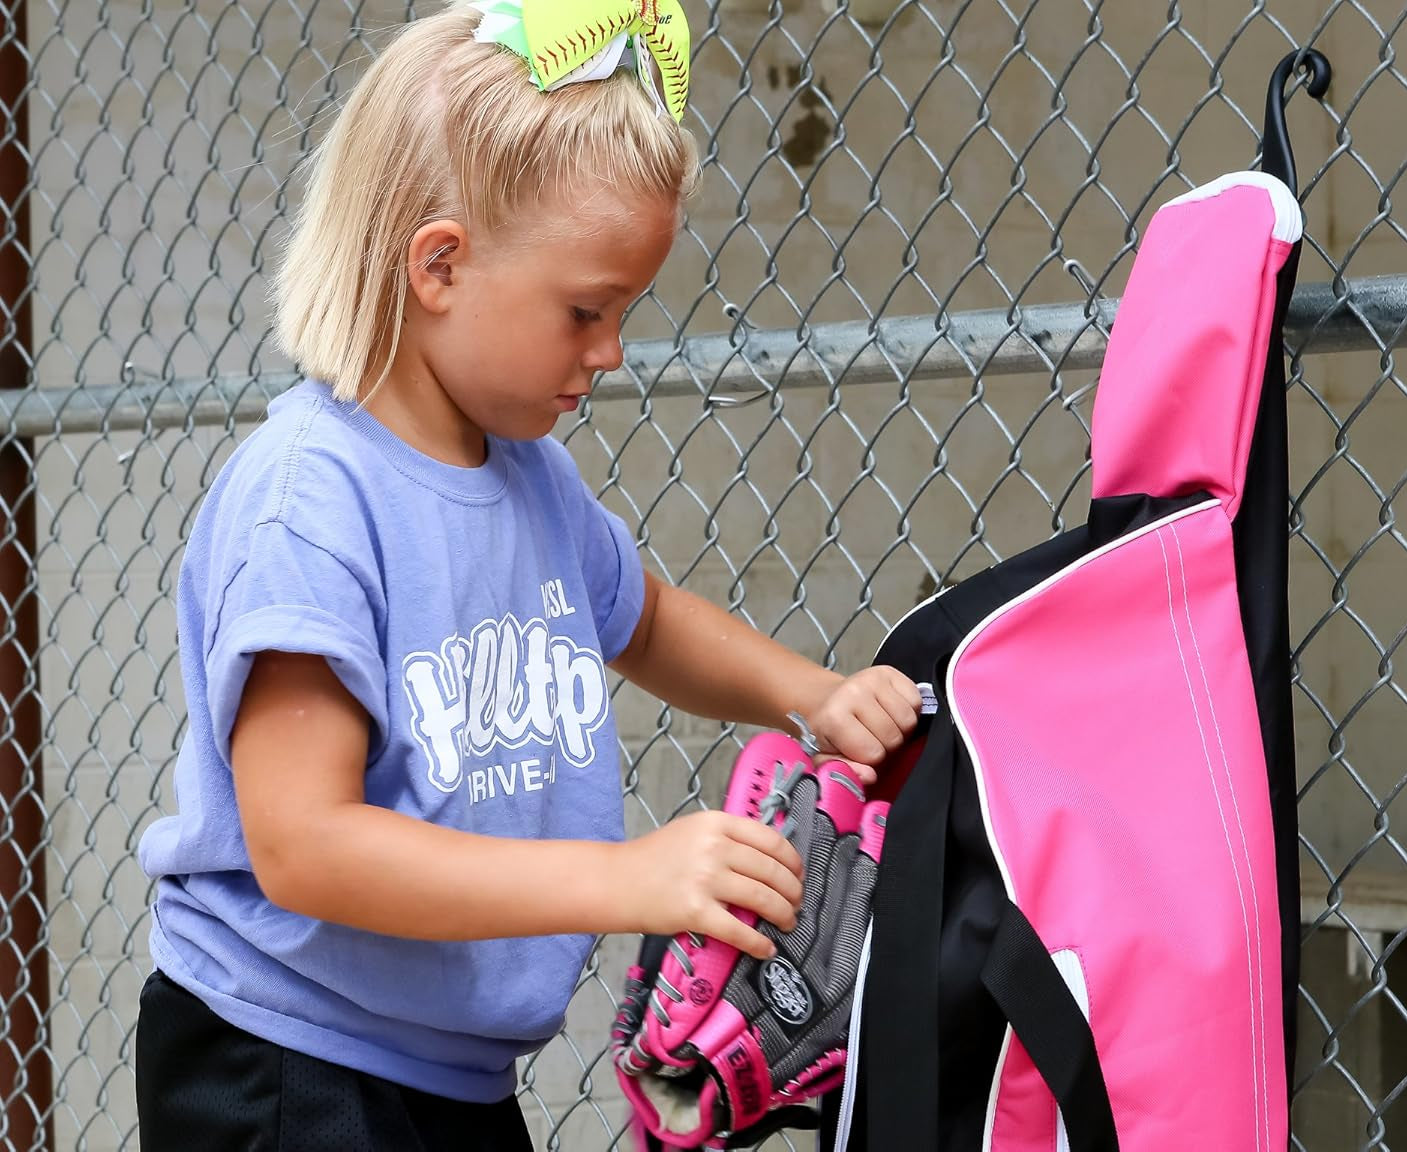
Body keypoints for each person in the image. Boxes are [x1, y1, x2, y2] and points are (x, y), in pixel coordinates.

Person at [133, 3, 921, 1149]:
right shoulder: (310, 497)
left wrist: (812, 691)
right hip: (288, 1063)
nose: (609, 350)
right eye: (585, 310)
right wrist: (624, 878)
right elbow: (304, 844)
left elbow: (645, 618)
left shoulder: (532, 479)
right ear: (440, 265)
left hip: (447, 1074)